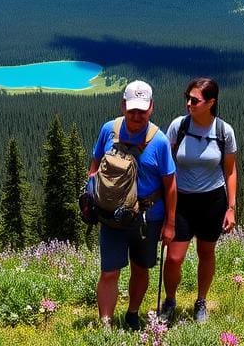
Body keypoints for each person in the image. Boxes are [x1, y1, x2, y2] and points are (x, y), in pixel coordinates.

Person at [89, 80, 177, 330]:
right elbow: (95, 164)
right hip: (111, 216)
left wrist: (170, 224)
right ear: (123, 105)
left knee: (141, 269)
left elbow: (170, 185)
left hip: (148, 218)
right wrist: (90, 194)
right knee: (109, 272)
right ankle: (105, 324)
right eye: (132, 109)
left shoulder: (159, 141)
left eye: (142, 110)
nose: (136, 115)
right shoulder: (109, 130)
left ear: (151, 107)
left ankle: (132, 313)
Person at [159, 77, 237, 324]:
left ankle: (201, 301)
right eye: (187, 98)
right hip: (181, 201)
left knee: (207, 252)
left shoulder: (224, 132)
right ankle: (170, 301)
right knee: (173, 257)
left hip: (212, 201)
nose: (189, 104)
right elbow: (164, 162)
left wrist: (231, 208)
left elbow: (230, 171)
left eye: (195, 100)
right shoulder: (178, 126)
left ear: (211, 102)